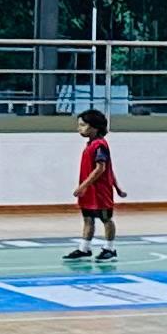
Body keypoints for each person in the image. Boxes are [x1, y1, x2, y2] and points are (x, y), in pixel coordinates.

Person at [70, 108, 119, 263]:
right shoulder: (90, 145)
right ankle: (84, 248)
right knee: (88, 219)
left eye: (83, 125)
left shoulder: (99, 146)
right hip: (89, 192)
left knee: (106, 219)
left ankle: (110, 248)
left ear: (94, 127)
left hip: (100, 191)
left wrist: (83, 186)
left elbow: (101, 168)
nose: (79, 128)